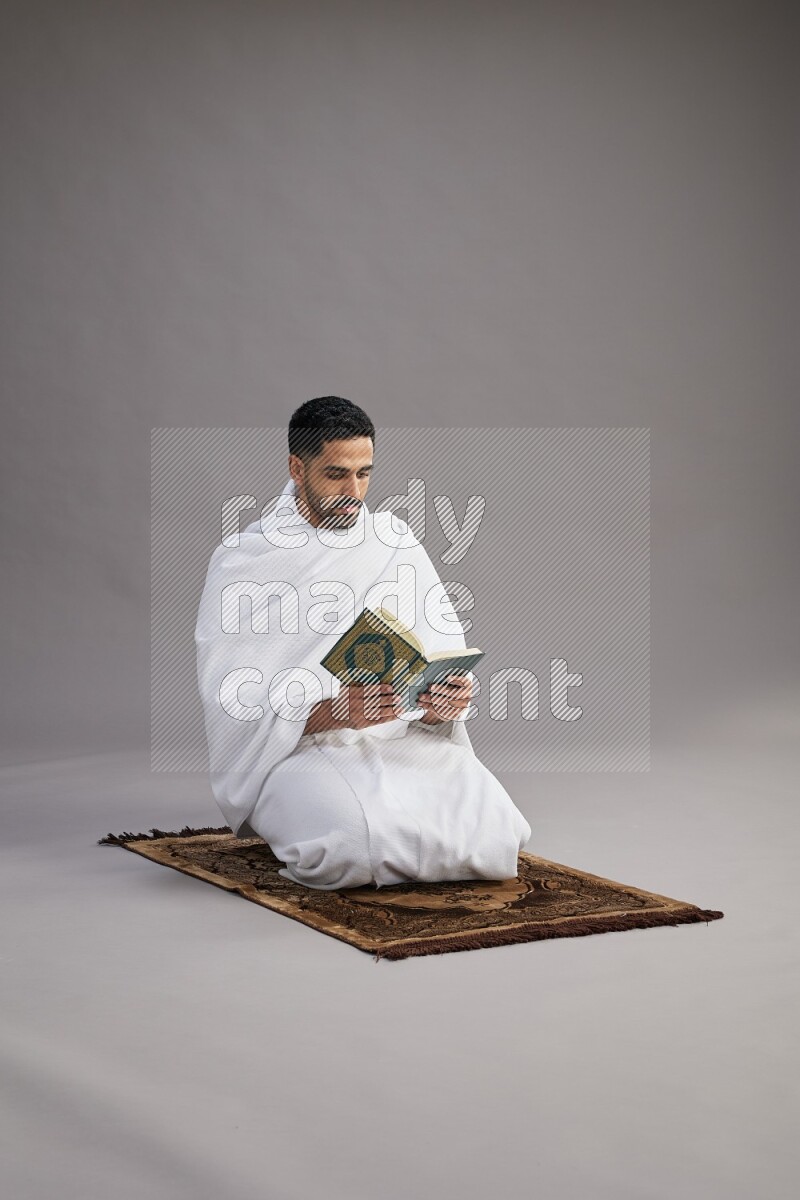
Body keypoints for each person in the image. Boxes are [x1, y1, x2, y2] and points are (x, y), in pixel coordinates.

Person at [194, 396, 532, 890]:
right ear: (297, 467)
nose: (355, 491)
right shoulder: (245, 561)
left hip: (398, 735)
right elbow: (232, 700)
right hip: (296, 749)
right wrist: (334, 711)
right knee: (350, 847)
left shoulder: (394, 543)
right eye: (336, 475)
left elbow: (440, 653)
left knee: (498, 834)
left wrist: (446, 702)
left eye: (365, 474)